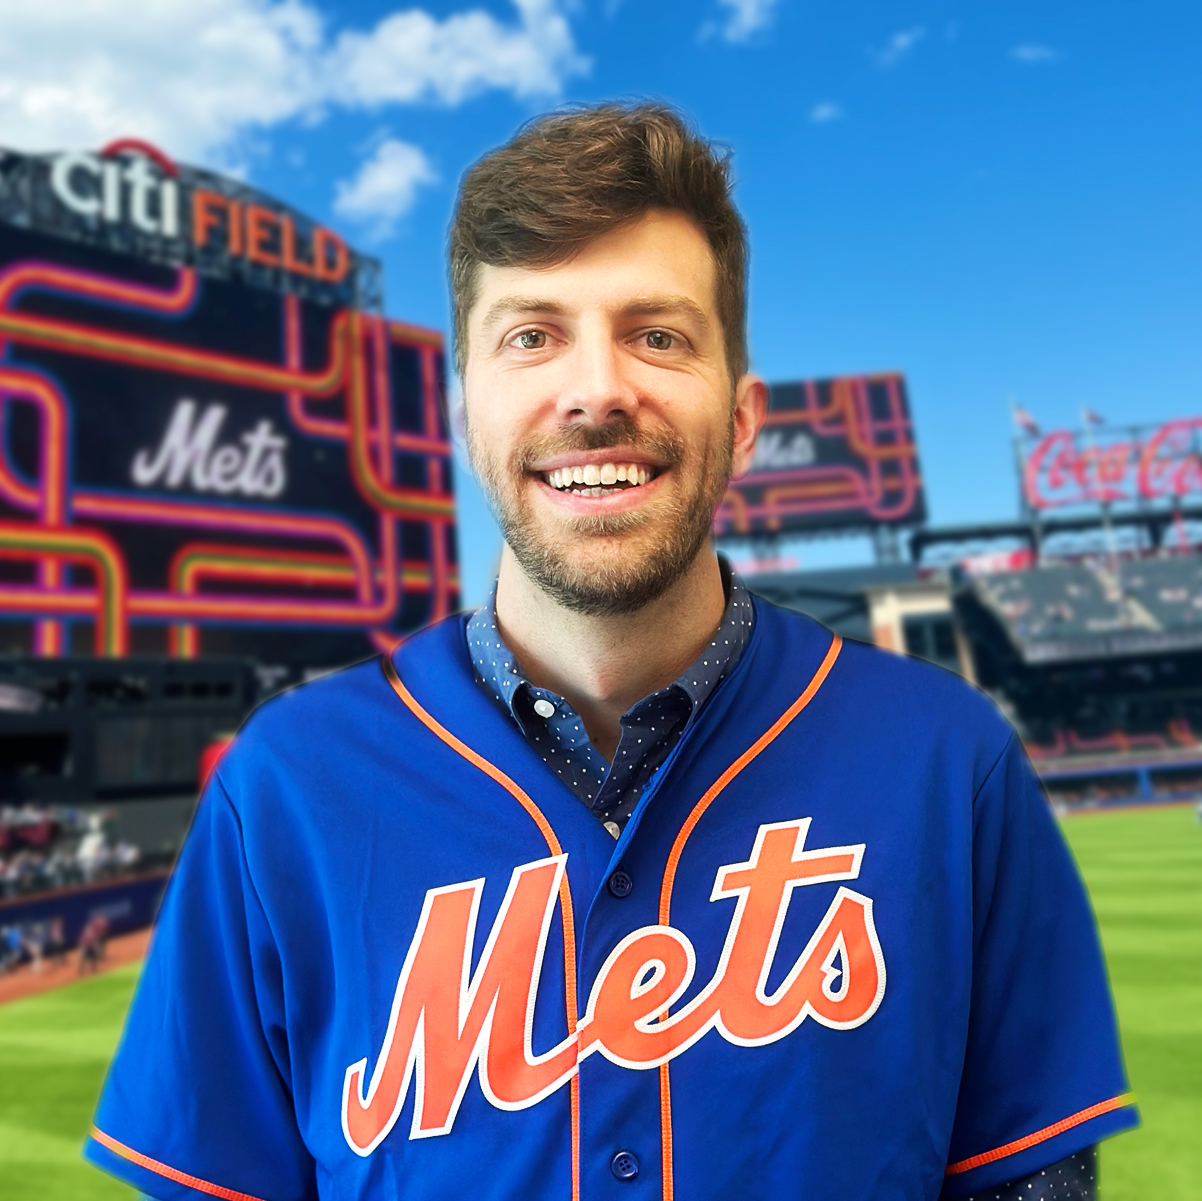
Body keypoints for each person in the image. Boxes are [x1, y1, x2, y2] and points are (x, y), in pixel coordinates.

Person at [86, 104, 1136, 1201]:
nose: (597, 390)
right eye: (531, 335)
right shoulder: (287, 784)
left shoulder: (943, 756)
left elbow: (1034, 1178)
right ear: (464, 412)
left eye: (658, 334)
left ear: (740, 420)